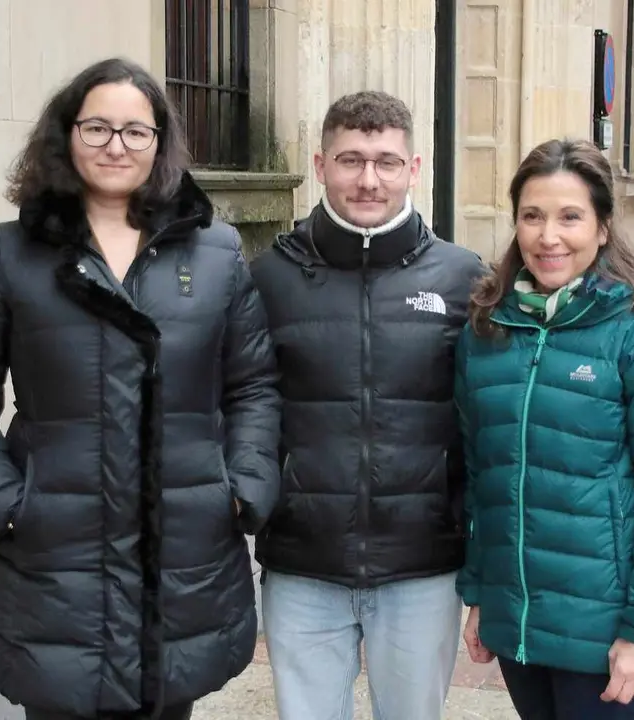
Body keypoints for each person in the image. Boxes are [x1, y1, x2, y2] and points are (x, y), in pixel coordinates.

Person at [0, 57, 281, 720]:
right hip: (57, 559)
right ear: (66, 135)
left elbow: (254, 385)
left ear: (160, 143)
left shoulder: (214, 253)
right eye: (97, 128)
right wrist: (6, 504)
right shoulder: (9, 255)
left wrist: (242, 487)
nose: (116, 146)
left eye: (135, 131)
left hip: (183, 553)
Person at [455, 138, 634, 720]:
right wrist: (482, 598)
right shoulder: (487, 334)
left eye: (570, 216)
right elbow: (481, 479)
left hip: (602, 634)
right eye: (532, 216)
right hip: (519, 622)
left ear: (602, 228)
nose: (549, 236)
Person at [249, 91, 485, 720]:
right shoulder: (267, 278)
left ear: (413, 168)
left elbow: (482, 426)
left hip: (422, 566)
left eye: (385, 161)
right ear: (321, 164)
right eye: (351, 160)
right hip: (303, 565)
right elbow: (244, 408)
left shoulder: (463, 279)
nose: (368, 179)